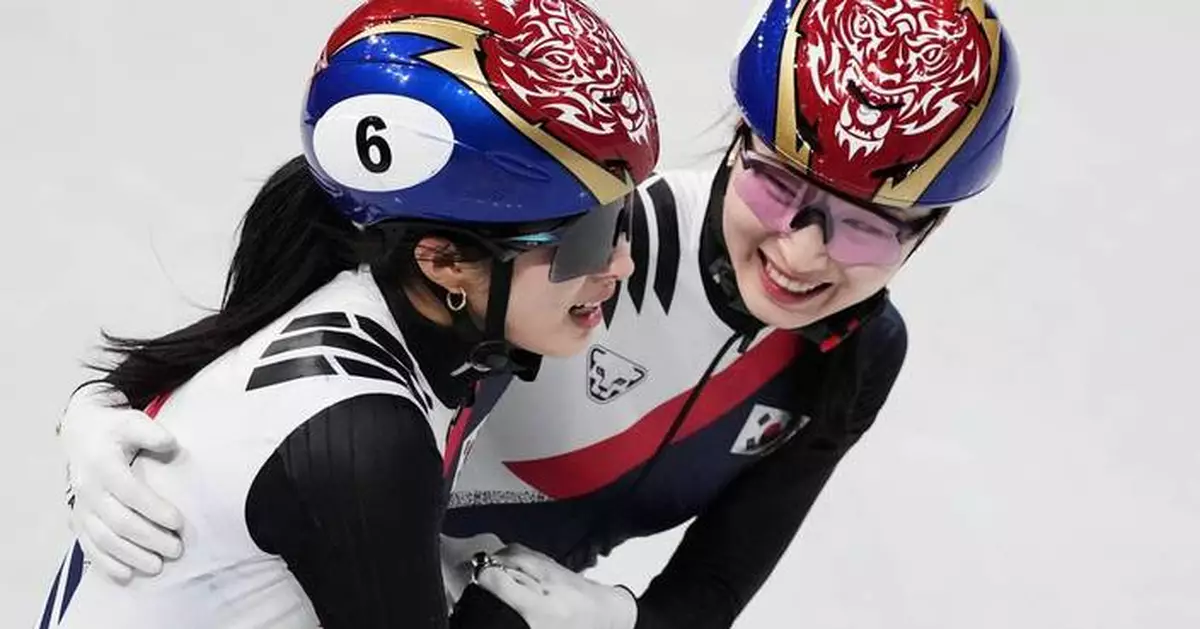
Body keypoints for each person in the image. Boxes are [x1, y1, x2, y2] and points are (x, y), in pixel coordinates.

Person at [54, 0, 1020, 627]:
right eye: (774, 187)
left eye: (866, 228)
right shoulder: (579, 245)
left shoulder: (852, 355)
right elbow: (299, 342)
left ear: (927, 234)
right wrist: (115, 409)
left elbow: (715, 585)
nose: (802, 251)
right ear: (736, 142)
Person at [38, 0, 660, 627]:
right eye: (591, 236)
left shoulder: (419, 315)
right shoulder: (364, 431)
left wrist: (93, 401)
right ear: (442, 260)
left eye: (626, 216)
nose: (623, 263)